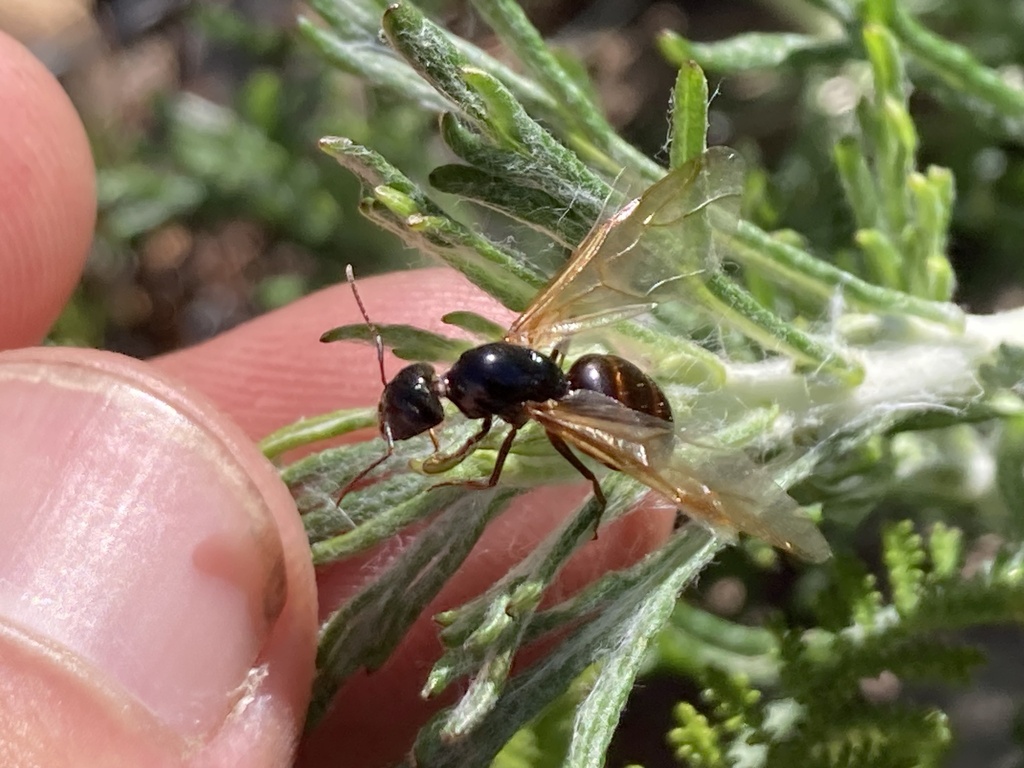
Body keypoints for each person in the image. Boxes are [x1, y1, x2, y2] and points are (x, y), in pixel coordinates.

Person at [0, 29, 673, 766]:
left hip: (603, 396)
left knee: (592, 470)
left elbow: (496, 442)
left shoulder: (523, 406)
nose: (424, 408)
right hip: (576, 372)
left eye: (418, 410)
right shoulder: (511, 355)